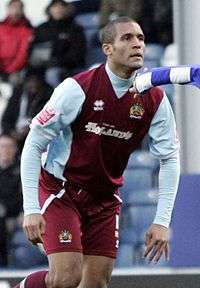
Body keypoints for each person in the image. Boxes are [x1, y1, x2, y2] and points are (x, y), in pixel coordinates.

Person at [15, 17, 180, 288]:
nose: (137, 44)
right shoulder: (77, 88)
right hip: (62, 190)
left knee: (95, 284)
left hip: (104, 198)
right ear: (107, 49)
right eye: (127, 38)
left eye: (140, 38)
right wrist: (31, 208)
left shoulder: (155, 99)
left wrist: (162, 222)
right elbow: (33, 143)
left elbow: (170, 160)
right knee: (67, 278)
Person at [29, 0, 87, 88]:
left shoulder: (75, 28)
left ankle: (58, 100)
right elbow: (32, 49)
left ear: (67, 9)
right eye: (55, 7)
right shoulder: (41, 28)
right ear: (49, 10)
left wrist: (59, 61)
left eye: (61, 7)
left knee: (52, 75)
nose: (58, 10)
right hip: (41, 66)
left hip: (66, 67)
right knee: (26, 77)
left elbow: (78, 52)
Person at [0, 134, 22, 266]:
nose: (6, 150)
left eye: (10, 146)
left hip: (18, 219)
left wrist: (25, 211)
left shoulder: (23, 169)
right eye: (2, 146)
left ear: (16, 149)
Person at [0, 0, 33, 85]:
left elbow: (23, 53)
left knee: (17, 81)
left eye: (19, 7)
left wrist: (10, 69)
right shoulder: (1, 27)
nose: (16, 10)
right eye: (13, 7)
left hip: (16, 69)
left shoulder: (27, 28)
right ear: (8, 9)